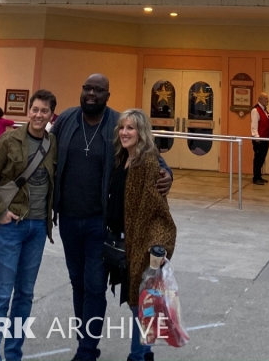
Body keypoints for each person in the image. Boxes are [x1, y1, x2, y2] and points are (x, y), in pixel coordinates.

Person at [52, 74, 173, 361]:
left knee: (95, 286)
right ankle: (87, 343)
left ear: (108, 95)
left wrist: (168, 173)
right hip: (69, 220)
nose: (91, 93)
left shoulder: (118, 124)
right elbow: (46, 153)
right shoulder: (67, 120)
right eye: (87, 88)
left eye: (98, 90)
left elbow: (147, 151)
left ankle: (86, 351)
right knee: (77, 284)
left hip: (99, 223)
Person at [0, 89, 57, 361]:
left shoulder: (52, 143)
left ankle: (13, 354)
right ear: (29, 111)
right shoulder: (10, 140)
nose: (38, 114)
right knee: (1, 295)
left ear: (50, 115)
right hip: (12, 227)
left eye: (44, 111)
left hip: (38, 229)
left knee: (25, 295)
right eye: (35, 109)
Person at [107, 109, 177, 361]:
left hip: (141, 243)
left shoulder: (147, 162)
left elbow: (159, 211)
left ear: (142, 132)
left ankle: (137, 356)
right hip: (121, 240)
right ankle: (145, 353)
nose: (125, 133)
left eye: (131, 128)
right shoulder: (121, 157)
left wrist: (157, 246)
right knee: (137, 301)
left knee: (139, 303)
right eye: (122, 128)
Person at [250, 93, 269, 186]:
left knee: (262, 158)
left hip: (265, 138)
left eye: (267, 98)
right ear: (260, 99)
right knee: (258, 158)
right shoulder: (256, 110)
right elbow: (254, 126)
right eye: (266, 98)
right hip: (259, 139)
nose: (267, 100)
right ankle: (256, 178)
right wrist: (256, 138)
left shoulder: (265, 111)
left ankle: (259, 176)